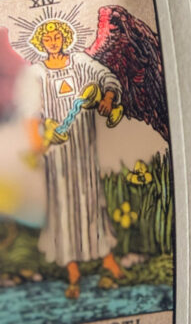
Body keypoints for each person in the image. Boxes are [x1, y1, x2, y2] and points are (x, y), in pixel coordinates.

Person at [21, 19, 123, 299]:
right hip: (56, 152)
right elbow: (30, 112)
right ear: (41, 43)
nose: (52, 42)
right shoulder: (36, 73)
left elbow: (106, 77)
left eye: (57, 37)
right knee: (63, 207)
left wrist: (108, 97)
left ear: (65, 37)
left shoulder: (79, 61)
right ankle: (73, 271)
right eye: (47, 39)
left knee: (92, 201)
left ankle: (108, 260)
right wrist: (38, 140)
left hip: (84, 148)